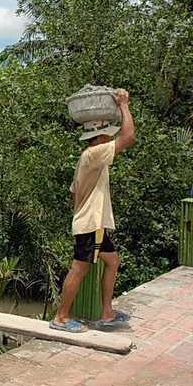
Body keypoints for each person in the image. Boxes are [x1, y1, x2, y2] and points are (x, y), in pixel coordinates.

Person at [50, 89, 135, 333]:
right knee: (79, 269)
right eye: (107, 136)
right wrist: (124, 106)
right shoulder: (94, 154)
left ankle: (107, 313)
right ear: (98, 138)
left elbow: (73, 192)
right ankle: (61, 317)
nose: (110, 139)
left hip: (92, 223)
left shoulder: (88, 157)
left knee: (113, 261)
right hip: (91, 225)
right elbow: (128, 137)